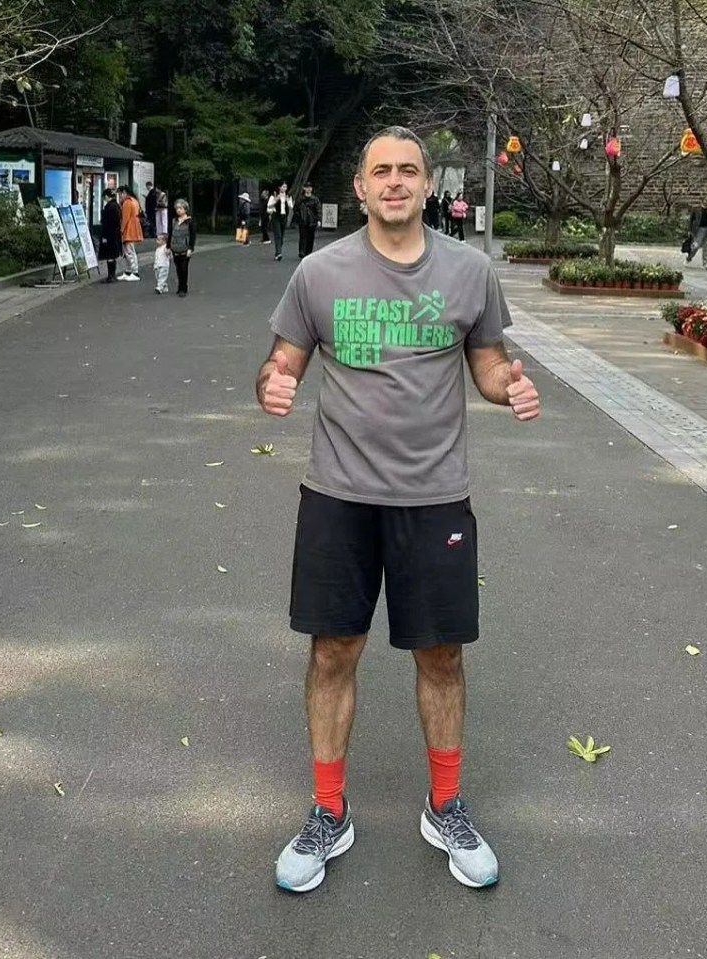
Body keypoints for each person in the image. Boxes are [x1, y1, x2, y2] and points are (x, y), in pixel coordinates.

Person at [256, 124, 540, 895]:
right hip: (338, 497)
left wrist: (507, 384)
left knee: (442, 655)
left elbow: (484, 362)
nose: (393, 181)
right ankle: (327, 811)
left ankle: (445, 804)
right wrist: (272, 384)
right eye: (380, 169)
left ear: (427, 186)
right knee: (331, 653)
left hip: (434, 495)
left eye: (407, 170)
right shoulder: (319, 273)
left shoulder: (471, 271)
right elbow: (283, 361)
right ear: (360, 187)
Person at [169, 199, 196, 297]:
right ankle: (179, 286)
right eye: (177, 208)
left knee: (184, 269)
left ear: (185, 209)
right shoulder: (174, 221)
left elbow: (192, 236)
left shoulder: (190, 221)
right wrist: (168, 246)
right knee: (178, 269)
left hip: (185, 249)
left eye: (180, 208)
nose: (178, 210)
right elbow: (170, 233)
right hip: (175, 248)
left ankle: (183, 288)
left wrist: (190, 248)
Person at [117, 186, 144, 281]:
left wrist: (121, 229)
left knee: (129, 251)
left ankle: (134, 272)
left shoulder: (127, 203)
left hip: (129, 228)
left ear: (125, 193)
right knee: (129, 251)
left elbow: (125, 218)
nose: (120, 196)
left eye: (121, 194)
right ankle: (129, 271)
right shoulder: (134, 200)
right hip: (134, 226)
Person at [98, 189, 123, 283]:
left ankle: (110, 276)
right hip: (115, 234)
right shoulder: (116, 206)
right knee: (113, 255)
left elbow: (106, 224)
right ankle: (113, 275)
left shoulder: (109, 207)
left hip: (109, 235)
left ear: (107, 197)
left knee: (109, 255)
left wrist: (104, 236)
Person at [685, 198, 707, 268]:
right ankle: (689, 258)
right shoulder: (696, 209)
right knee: (696, 246)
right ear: (703, 201)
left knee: (706, 247)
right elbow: (691, 220)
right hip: (698, 230)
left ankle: (705, 263)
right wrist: (690, 230)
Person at [295, 183, 322, 258]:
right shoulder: (300, 199)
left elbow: (318, 210)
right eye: (307, 187)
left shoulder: (315, 199)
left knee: (310, 237)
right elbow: (296, 209)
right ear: (304, 188)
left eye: (310, 187)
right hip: (303, 220)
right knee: (303, 236)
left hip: (312, 221)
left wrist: (319, 219)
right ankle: (302, 251)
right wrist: (298, 218)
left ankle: (308, 252)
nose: (309, 189)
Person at [268, 183, 293, 261]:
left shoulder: (287, 196)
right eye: (283, 186)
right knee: (278, 235)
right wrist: (276, 200)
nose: (284, 188)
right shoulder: (274, 195)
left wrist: (288, 200)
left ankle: (277, 252)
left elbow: (291, 206)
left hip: (283, 216)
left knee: (282, 235)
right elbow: (269, 205)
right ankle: (279, 253)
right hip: (276, 217)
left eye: (285, 187)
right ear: (279, 187)